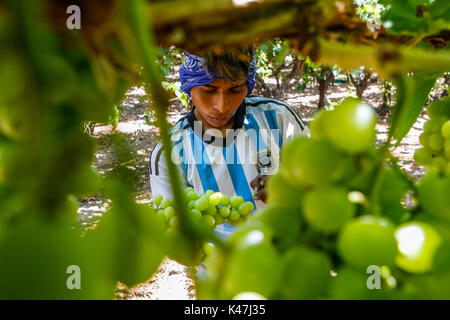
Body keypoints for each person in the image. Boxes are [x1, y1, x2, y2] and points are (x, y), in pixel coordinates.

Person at [150, 46, 310, 237]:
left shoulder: (278, 118)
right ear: (188, 86)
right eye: (208, 90)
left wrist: (290, 185)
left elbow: (320, 181)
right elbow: (175, 231)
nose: (221, 106)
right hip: (222, 264)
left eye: (235, 90)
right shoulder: (170, 153)